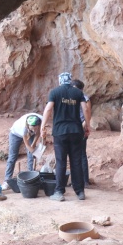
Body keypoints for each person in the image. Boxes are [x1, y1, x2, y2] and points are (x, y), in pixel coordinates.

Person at [41, 72, 90, 201]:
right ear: (70, 80)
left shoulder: (55, 92)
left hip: (60, 132)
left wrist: (42, 127)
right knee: (76, 161)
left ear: (60, 81)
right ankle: (80, 192)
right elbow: (85, 109)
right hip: (76, 131)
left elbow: (48, 109)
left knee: (61, 161)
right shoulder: (78, 93)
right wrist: (87, 126)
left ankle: (59, 192)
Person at [2, 113, 43, 189]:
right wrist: (34, 152)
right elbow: (27, 146)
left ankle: (31, 178)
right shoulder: (23, 128)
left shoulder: (41, 120)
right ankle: (7, 181)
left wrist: (34, 146)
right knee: (12, 156)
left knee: (31, 156)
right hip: (15, 134)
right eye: (32, 128)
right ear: (28, 126)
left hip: (30, 133)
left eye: (35, 128)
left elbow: (37, 134)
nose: (34, 130)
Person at [71, 79, 92, 187]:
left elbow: (87, 112)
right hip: (74, 127)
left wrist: (85, 125)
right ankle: (80, 180)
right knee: (76, 154)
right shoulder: (81, 97)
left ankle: (84, 180)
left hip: (80, 127)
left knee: (80, 154)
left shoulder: (84, 98)